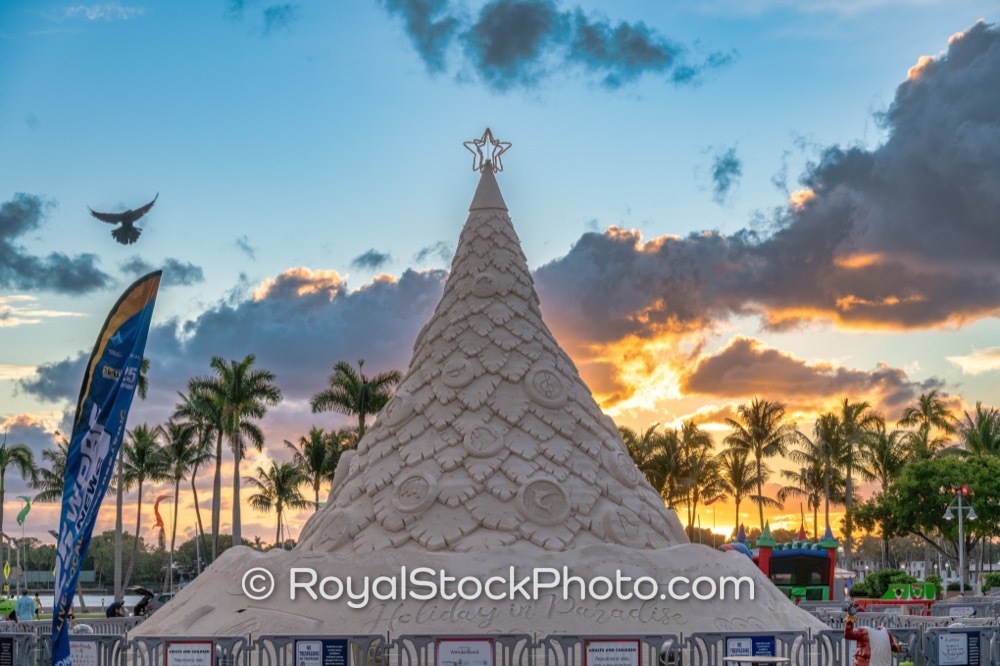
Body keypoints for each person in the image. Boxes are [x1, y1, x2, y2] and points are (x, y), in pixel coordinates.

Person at [843, 601, 903, 666]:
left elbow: (848, 635)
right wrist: (901, 647)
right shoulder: (886, 632)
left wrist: (850, 617)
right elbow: (894, 647)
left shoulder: (863, 631)